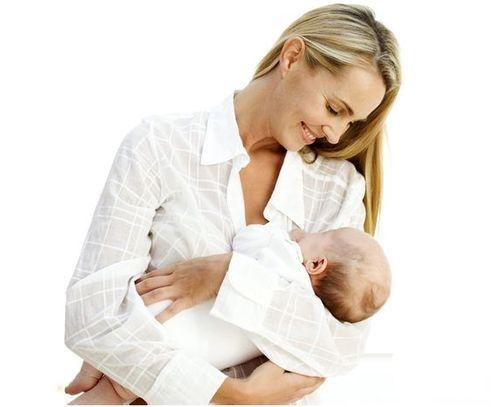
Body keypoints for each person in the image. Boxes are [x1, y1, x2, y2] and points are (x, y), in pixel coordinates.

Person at [64, 3, 401, 405]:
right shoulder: (160, 147)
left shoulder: (337, 189)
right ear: (292, 57)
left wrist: (227, 276)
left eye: (351, 122)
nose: (335, 135)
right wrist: (230, 394)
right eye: (334, 109)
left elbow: (340, 345)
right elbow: (93, 316)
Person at [66, 222, 391, 404]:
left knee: (127, 322)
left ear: (317, 263)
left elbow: (247, 239)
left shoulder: (284, 258)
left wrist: (284, 235)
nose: (310, 232)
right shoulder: (302, 322)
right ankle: (100, 379)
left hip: (167, 317)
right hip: (195, 354)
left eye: (322, 236)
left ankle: (92, 368)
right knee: (118, 390)